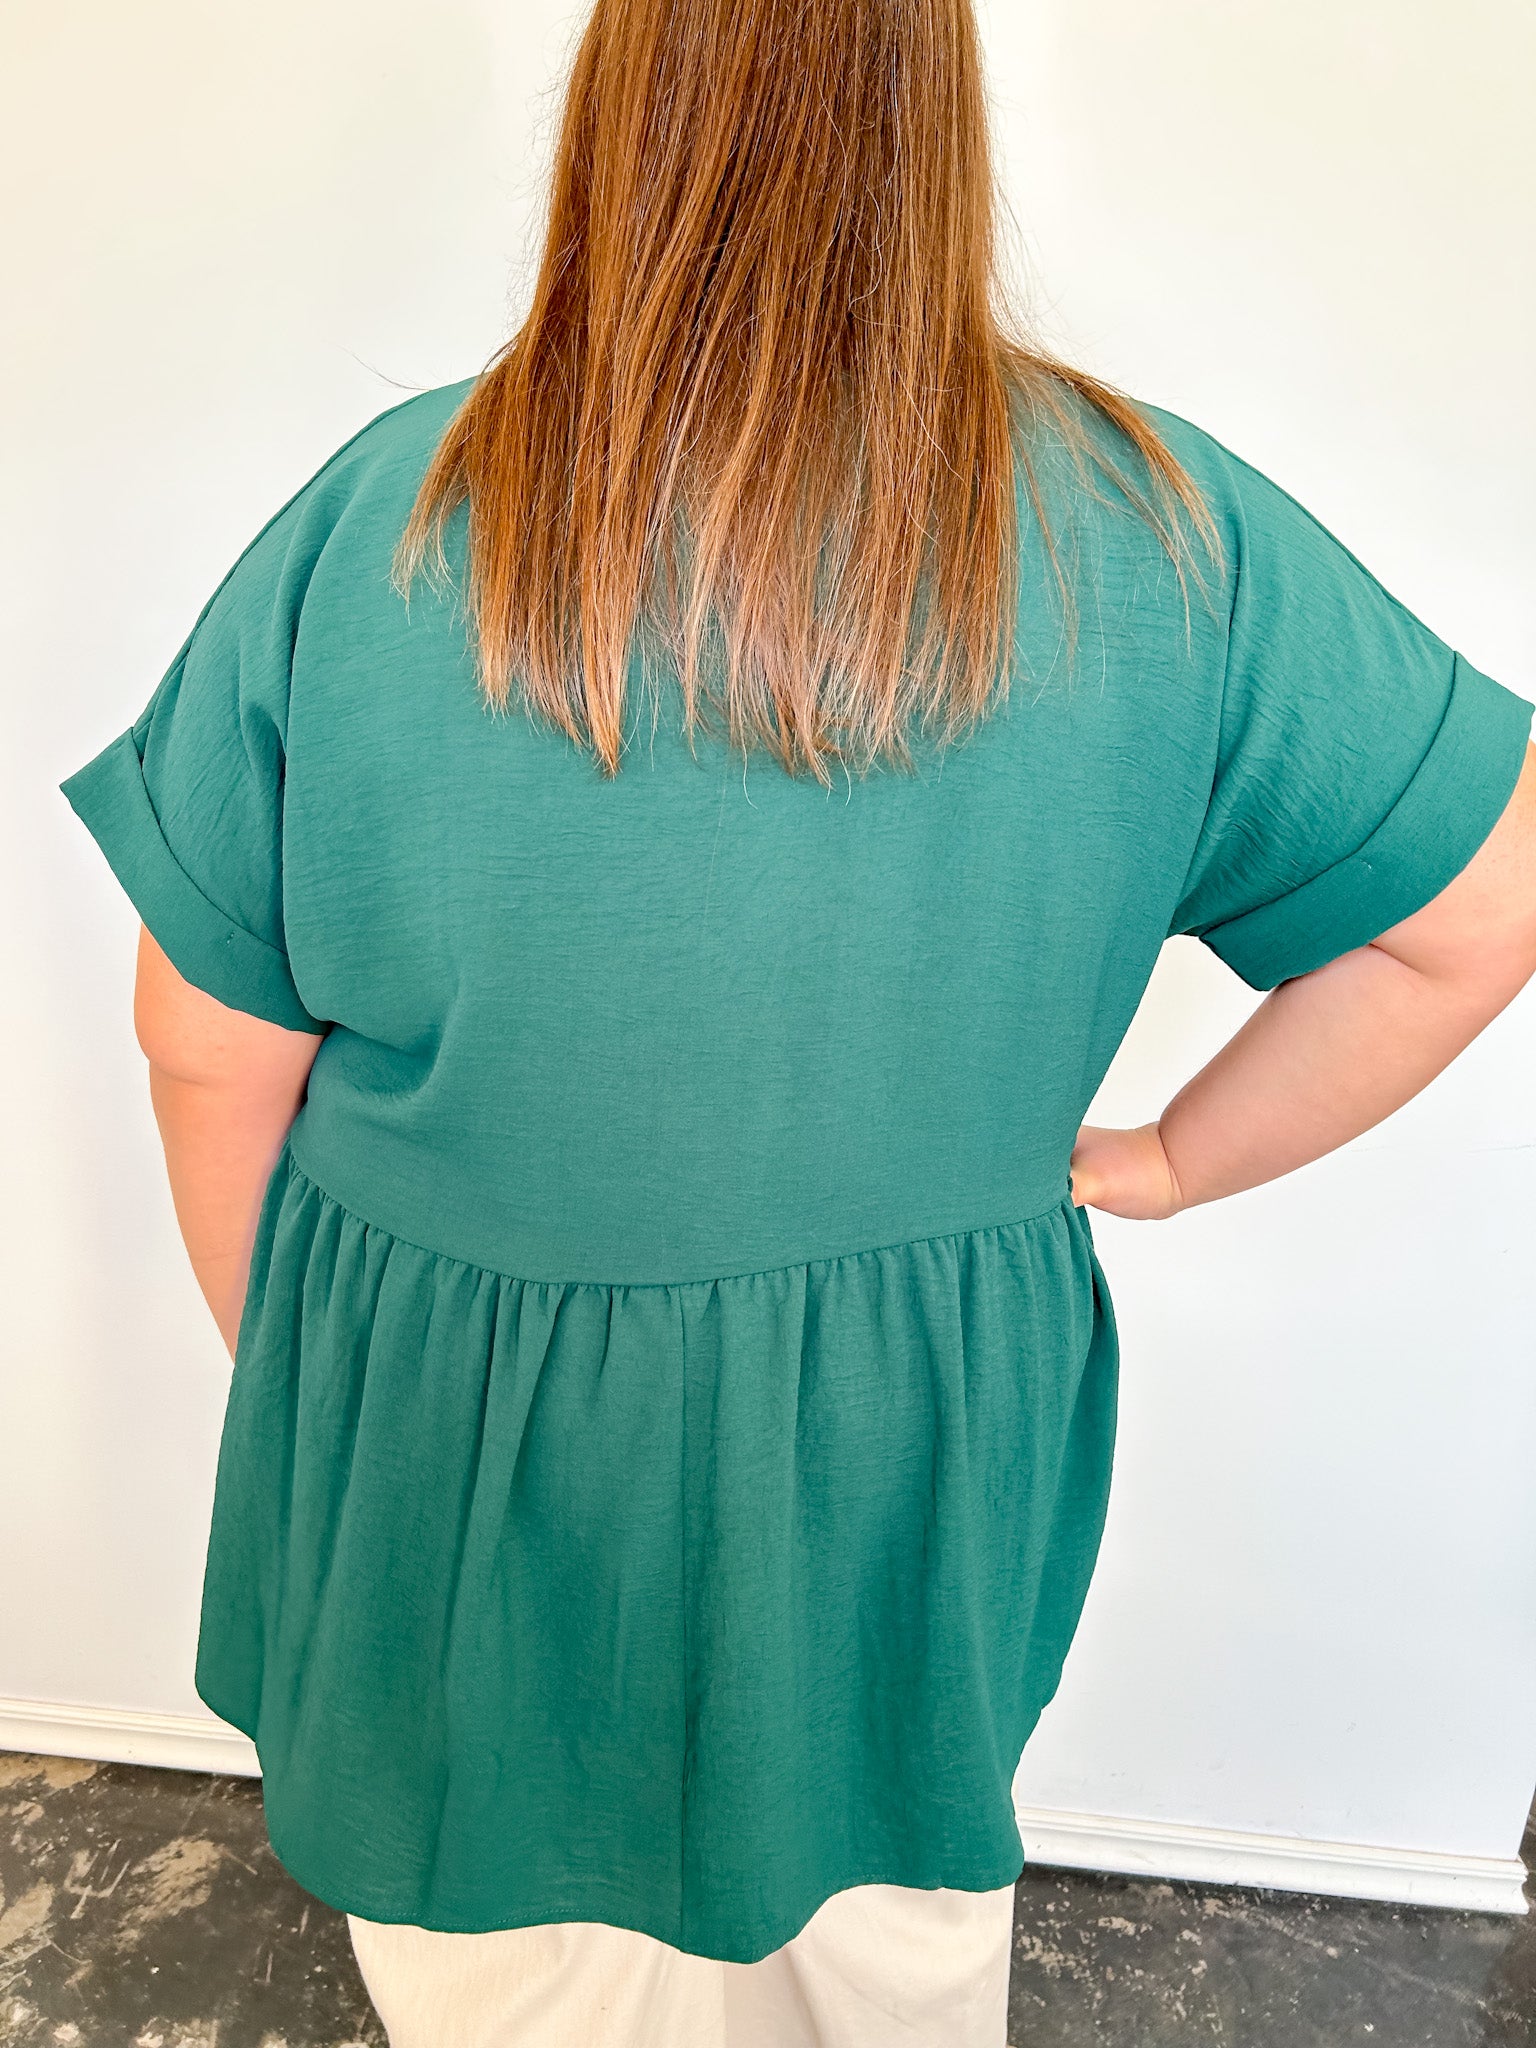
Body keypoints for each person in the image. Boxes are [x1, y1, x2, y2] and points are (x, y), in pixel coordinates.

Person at [60, 0, 1536, 2041]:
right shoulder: (1156, 532)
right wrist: (1174, 1158)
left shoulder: (384, 521)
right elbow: (1487, 903)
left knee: (503, 1959)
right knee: (888, 1928)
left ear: (610, 128)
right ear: (933, 139)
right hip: (897, 1447)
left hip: (459, 1431)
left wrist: (320, 1371)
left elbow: (207, 1046)